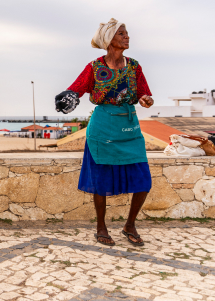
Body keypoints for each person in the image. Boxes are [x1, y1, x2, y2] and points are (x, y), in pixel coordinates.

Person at [55, 18, 154, 246]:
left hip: (129, 127)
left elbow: (145, 95)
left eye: (126, 33)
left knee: (143, 180)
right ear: (110, 39)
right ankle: (101, 228)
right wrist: (66, 98)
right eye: (122, 33)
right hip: (102, 128)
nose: (127, 36)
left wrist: (146, 99)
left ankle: (130, 224)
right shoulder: (95, 67)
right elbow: (75, 89)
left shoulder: (134, 66)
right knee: (99, 180)